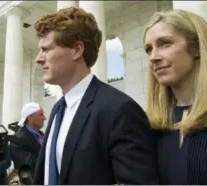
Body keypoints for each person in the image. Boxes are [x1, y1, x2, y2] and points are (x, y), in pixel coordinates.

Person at [32, 7, 159, 185]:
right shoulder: (58, 109)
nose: (39, 58)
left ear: (77, 50)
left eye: (46, 49)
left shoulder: (119, 110)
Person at [143, 9, 207, 184]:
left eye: (165, 43)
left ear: (196, 48)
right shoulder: (152, 128)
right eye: (148, 49)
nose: (153, 57)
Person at [10, 102, 46, 176]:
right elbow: (31, 165)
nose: (44, 118)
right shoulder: (18, 139)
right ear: (30, 118)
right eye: (40, 115)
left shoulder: (43, 135)